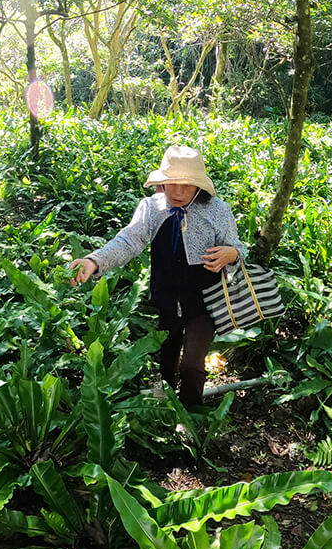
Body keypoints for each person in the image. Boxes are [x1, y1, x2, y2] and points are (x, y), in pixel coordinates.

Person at [70, 145, 245, 406]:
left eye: (186, 185)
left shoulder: (217, 211)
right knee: (163, 358)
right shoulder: (151, 208)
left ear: (199, 185)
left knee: (191, 366)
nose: (177, 191)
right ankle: (160, 407)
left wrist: (230, 254)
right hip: (164, 299)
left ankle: (190, 417)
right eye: (171, 183)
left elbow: (239, 249)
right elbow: (129, 241)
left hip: (205, 302)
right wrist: (94, 261)